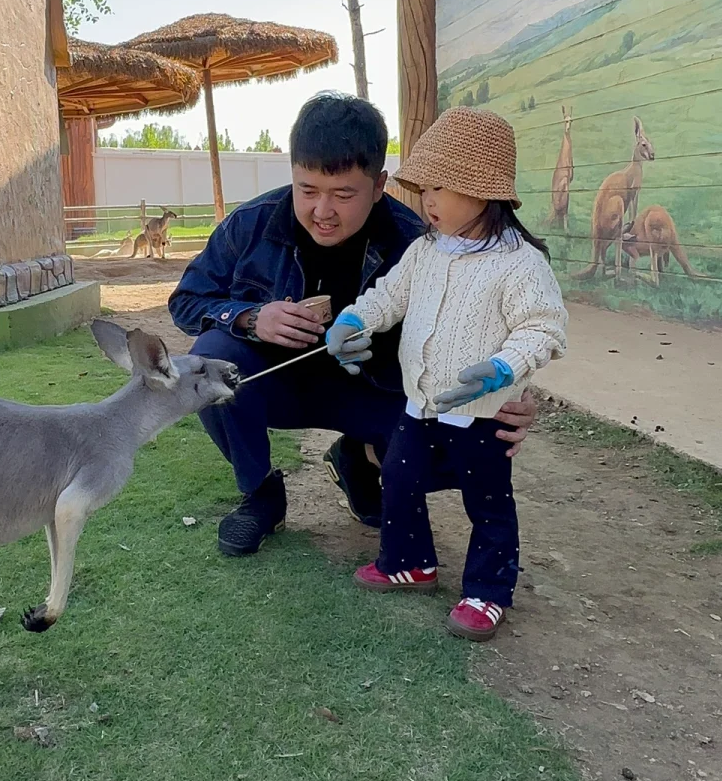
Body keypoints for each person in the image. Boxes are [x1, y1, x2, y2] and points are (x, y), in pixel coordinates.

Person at [169, 93, 537, 556]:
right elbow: (186, 300)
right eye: (307, 190)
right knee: (207, 364)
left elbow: (484, 330)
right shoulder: (250, 224)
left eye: (344, 194)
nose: (323, 211)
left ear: (380, 185)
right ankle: (261, 493)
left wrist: (515, 390)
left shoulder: (416, 244)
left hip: (371, 391)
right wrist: (250, 317)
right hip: (272, 384)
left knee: (477, 440)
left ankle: (359, 459)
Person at [326, 106, 567, 640]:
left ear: (481, 190)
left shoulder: (520, 263)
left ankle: (488, 591)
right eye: (424, 188)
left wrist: (502, 367)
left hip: (482, 414)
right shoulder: (424, 251)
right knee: (400, 479)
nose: (426, 200)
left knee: (488, 504)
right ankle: (409, 562)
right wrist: (352, 320)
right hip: (420, 405)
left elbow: (543, 329)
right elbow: (389, 296)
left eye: (439, 187)